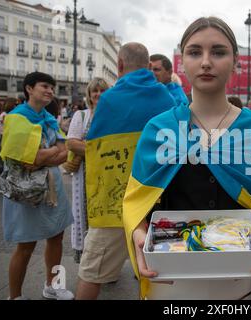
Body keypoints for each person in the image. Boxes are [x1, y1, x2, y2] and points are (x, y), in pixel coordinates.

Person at [123, 16, 251, 300]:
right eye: (195, 52)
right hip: (172, 277)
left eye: (218, 52)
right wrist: (139, 231)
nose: (206, 61)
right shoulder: (159, 130)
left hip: (240, 276)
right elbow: (137, 202)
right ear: (183, 63)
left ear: (235, 63)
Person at [75, 43, 176, 300]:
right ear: (147, 66)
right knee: (157, 271)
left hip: (113, 203)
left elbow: (96, 150)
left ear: (119, 65)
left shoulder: (109, 99)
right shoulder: (167, 98)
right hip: (155, 200)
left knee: (92, 271)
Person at [0, 72, 74, 300]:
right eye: (45, 86)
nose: (50, 91)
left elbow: (65, 153)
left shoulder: (49, 119)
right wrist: (53, 152)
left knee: (57, 237)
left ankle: (53, 285)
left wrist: (47, 154)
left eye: (52, 87)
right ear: (29, 89)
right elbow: (28, 161)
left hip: (52, 188)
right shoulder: (16, 118)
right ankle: (15, 296)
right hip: (27, 191)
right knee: (26, 245)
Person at [66, 78, 110, 264]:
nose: (98, 94)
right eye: (95, 91)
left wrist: (88, 148)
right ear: (89, 95)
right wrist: (103, 150)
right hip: (84, 175)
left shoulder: (113, 116)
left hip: (107, 175)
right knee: (84, 214)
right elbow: (71, 143)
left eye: (102, 91)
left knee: (105, 217)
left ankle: (106, 262)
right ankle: (87, 260)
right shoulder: (81, 116)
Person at [0, 97, 18, 193]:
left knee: (5, 164)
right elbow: (2, 129)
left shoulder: (4, 114)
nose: (16, 106)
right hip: (4, 141)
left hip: (4, 140)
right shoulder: (5, 115)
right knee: (2, 165)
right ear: (11, 105)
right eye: (15, 104)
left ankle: (3, 185)